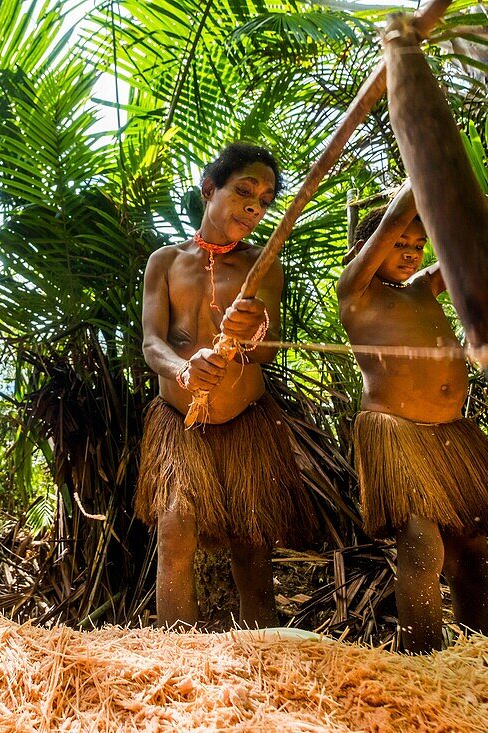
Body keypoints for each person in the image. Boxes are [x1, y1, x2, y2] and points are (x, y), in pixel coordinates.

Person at [337, 181, 488, 653]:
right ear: (367, 250)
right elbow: (391, 221)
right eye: (399, 245)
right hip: (396, 431)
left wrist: (450, 167)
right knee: (421, 543)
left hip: (449, 433)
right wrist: (418, 162)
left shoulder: (425, 287)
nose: (410, 251)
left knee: (471, 547)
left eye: (417, 244)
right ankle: (424, 658)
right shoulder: (357, 290)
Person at [138, 142, 318, 629]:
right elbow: (151, 343)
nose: (255, 207)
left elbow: (267, 351)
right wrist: (182, 369)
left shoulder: (264, 266)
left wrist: (256, 328)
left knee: (253, 545)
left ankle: (261, 662)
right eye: (244, 191)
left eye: (264, 199)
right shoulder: (166, 262)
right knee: (175, 533)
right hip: (180, 421)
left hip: (247, 421)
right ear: (209, 190)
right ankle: (177, 659)